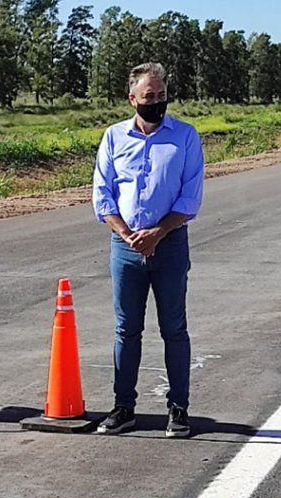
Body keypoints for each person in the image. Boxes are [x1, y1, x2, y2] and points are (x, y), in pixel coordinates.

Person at [91, 62, 204, 438]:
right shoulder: (113, 138)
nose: (155, 102)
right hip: (125, 248)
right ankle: (124, 407)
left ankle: (179, 408)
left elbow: (190, 197)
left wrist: (158, 232)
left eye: (160, 96)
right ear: (132, 99)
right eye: (148, 96)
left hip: (169, 244)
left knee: (174, 329)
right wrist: (127, 234)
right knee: (127, 330)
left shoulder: (185, 137)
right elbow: (103, 194)